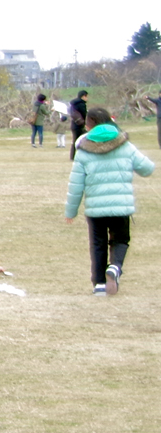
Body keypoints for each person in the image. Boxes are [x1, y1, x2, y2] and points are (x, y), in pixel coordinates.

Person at [65, 106, 155, 295]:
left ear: (89, 124)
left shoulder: (83, 147)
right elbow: (147, 168)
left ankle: (99, 283)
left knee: (98, 243)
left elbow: (76, 184)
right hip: (121, 206)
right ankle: (115, 267)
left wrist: (71, 212)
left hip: (95, 208)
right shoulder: (124, 143)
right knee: (120, 240)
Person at [68, 89, 90, 159]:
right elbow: (84, 115)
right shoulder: (82, 104)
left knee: (75, 141)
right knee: (85, 140)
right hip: (80, 125)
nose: (87, 98)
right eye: (86, 96)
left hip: (74, 124)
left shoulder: (73, 104)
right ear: (83, 96)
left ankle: (72, 156)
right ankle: (85, 155)